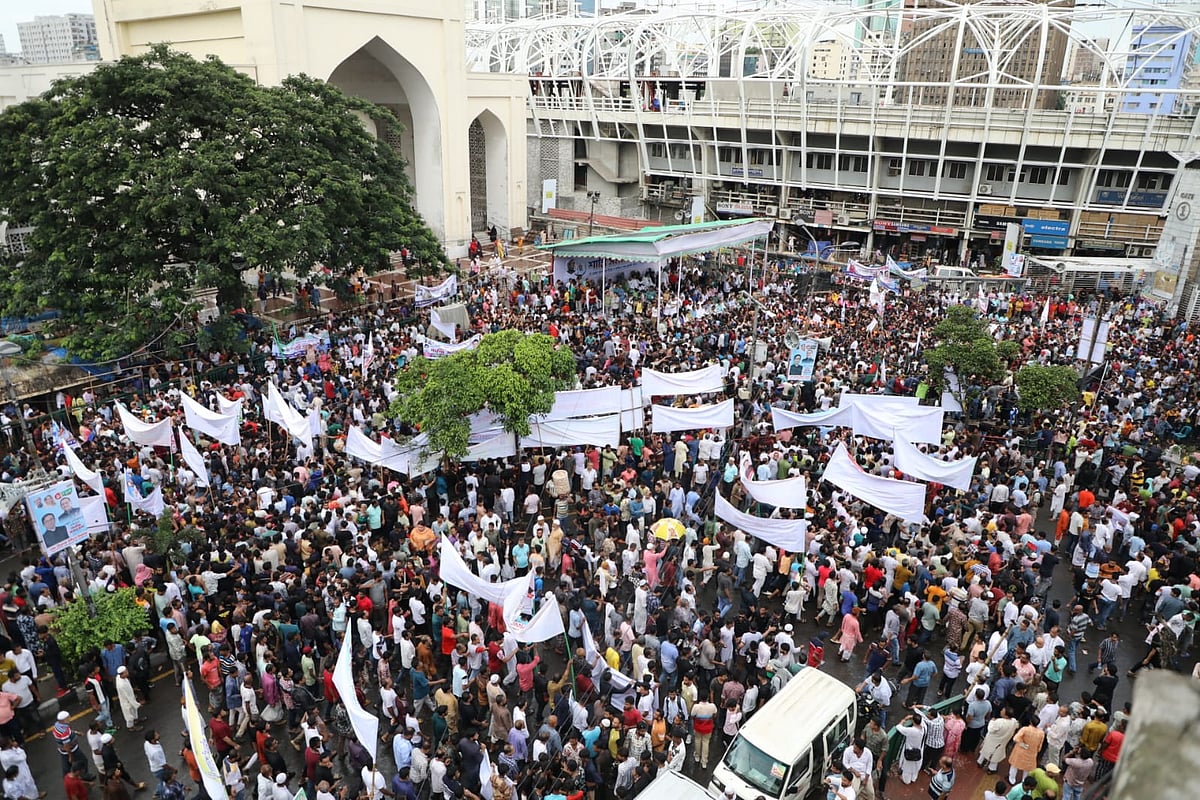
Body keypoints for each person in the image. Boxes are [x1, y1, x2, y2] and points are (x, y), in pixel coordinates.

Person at [897, 714, 926, 784]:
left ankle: (906, 780)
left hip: (910, 751)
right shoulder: (924, 728)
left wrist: (903, 721)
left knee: (907, 767)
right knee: (915, 766)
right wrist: (912, 717)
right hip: (918, 750)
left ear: (913, 721)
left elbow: (899, 727)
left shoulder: (912, 730)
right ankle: (913, 778)